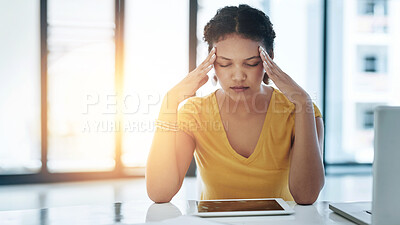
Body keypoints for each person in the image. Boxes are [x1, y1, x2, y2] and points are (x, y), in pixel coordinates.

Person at [146, 4, 325, 205]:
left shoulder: (298, 111)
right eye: (225, 63)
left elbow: (306, 196)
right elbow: (159, 193)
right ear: (211, 61)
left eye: (251, 63)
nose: (238, 76)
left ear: (270, 58)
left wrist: (303, 101)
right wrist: (170, 102)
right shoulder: (195, 113)